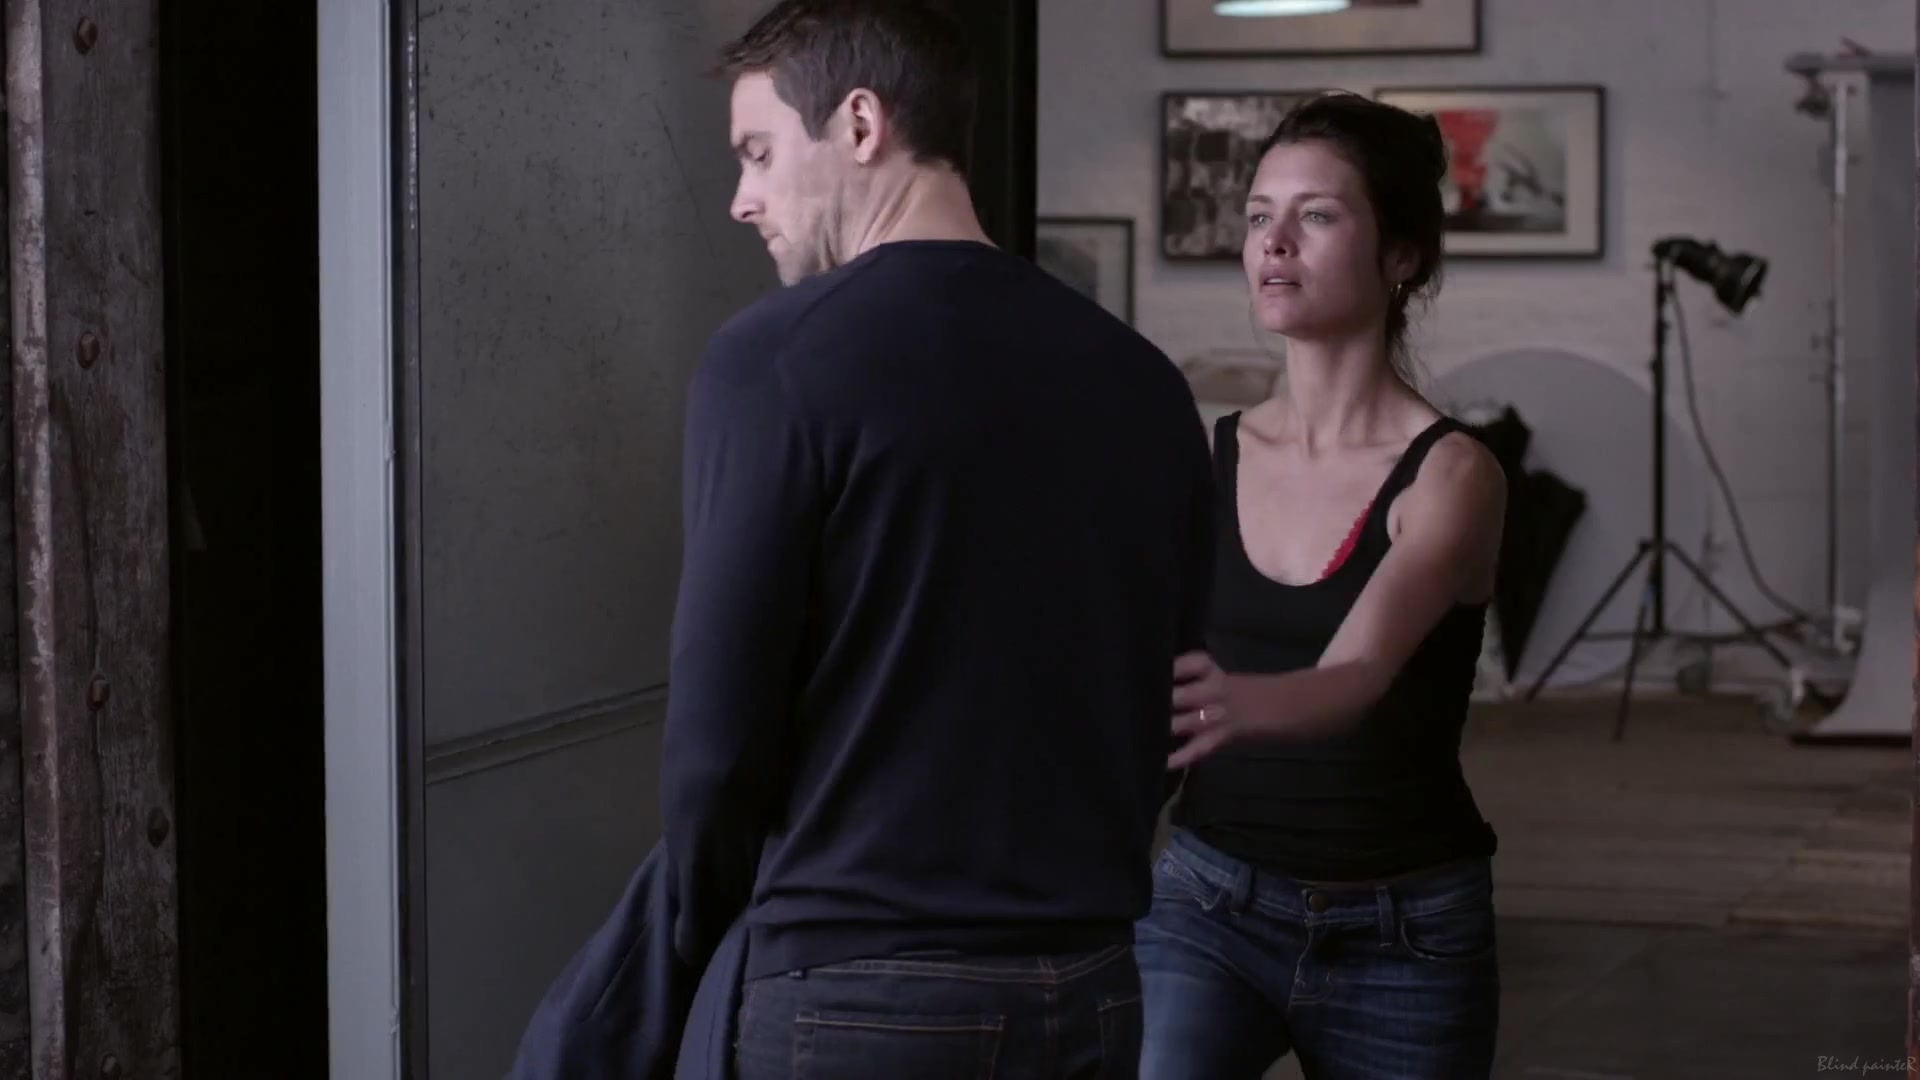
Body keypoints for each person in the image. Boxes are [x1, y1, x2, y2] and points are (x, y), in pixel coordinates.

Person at [657, 2, 1216, 1077]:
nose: (741, 198)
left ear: (861, 124)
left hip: (856, 987)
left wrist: (691, 943)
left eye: (758, 153)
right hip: (1091, 984)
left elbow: (717, 736)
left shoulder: (775, 360)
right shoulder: (1144, 381)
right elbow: (1174, 706)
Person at [1140, 92, 1508, 1080]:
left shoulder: (1453, 474)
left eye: (1317, 215)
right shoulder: (1210, 455)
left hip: (1406, 932)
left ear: (1401, 257)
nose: (1274, 242)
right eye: (1260, 215)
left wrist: (1236, 705)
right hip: (1208, 902)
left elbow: (1356, 673)